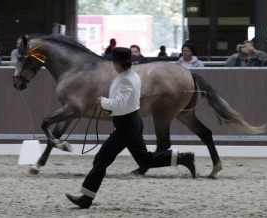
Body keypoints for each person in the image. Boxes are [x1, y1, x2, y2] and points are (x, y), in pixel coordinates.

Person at [65, 47, 196, 209]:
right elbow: (124, 100)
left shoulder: (125, 79)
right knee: (144, 159)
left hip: (126, 126)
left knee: (101, 159)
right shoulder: (129, 76)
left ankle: (86, 198)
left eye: (114, 62)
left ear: (118, 64)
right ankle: (182, 158)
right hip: (131, 123)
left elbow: (119, 103)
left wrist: (104, 101)